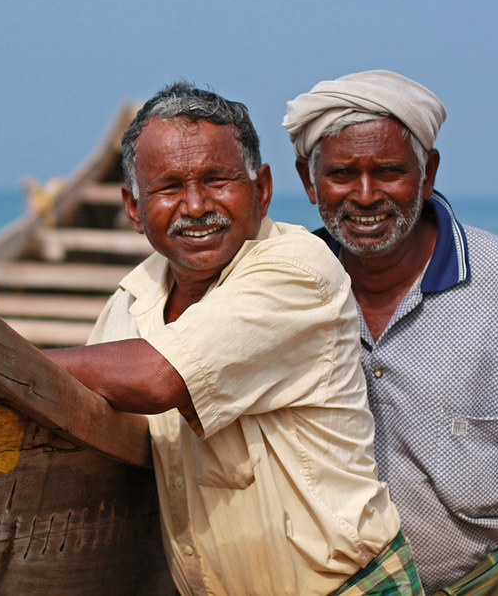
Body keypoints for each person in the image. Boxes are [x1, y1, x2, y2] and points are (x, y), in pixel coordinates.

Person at [46, 82, 423, 595]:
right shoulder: (131, 302)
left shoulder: (298, 269)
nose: (197, 205)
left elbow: (158, 378)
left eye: (217, 179)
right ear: (134, 208)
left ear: (262, 190)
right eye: (169, 187)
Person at [283, 70, 498, 595]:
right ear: (307, 180)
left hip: (487, 581)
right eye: (341, 174)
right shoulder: (283, 291)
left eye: (389, 171)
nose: (365, 196)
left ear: (427, 173)